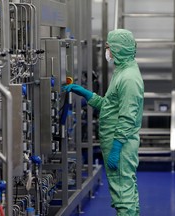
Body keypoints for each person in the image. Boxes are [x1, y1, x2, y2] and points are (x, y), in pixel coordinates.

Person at [64, 29, 144, 215]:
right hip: (116, 141)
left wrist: (116, 148)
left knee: (123, 194)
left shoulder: (129, 78)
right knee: (126, 190)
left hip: (121, 145)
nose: (107, 51)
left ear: (118, 48)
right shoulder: (122, 71)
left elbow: (127, 117)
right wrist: (86, 94)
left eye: (108, 47)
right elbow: (110, 105)